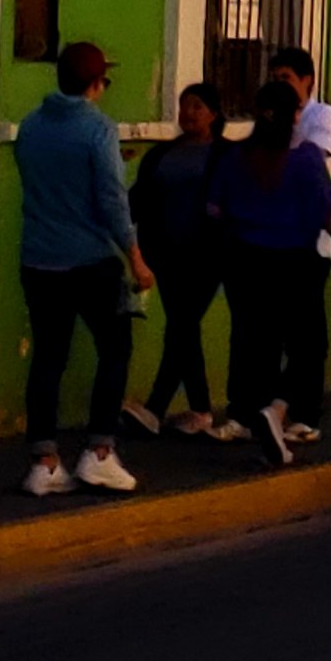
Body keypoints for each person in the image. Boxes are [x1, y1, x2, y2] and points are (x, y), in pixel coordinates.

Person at [13, 43, 152, 497]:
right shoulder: (98, 128)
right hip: (90, 260)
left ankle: (44, 460)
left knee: (49, 357)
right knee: (115, 347)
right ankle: (99, 453)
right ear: (96, 83)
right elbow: (112, 198)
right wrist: (134, 255)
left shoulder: (31, 127)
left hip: (38, 258)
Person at [211, 78, 331, 466]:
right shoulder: (306, 159)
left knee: (256, 344)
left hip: (245, 263)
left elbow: (216, 210)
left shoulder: (235, 157)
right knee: (309, 346)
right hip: (295, 264)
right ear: (295, 115)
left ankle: (252, 412)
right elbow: (329, 214)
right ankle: (278, 410)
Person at [122, 83, 226, 439]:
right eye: (183, 106)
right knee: (184, 327)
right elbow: (139, 198)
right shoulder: (161, 155)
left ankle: (155, 407)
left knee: (182, 324)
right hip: (165, 253)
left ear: (213, 113)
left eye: (197, 106)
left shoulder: (225, 155)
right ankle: (200, 410)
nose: (188, 113)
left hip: (208, 255)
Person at [268, 45, 331, 446]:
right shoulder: (275, 119)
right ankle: (278, 405)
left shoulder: (320, 117)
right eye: (275, 79)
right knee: (280, 331)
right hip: (278, 237)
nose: (280, 86)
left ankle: (304, 413)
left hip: (312, 239)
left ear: (307, 81)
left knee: (308, 333)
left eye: (287, 79)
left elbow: (313, 160)